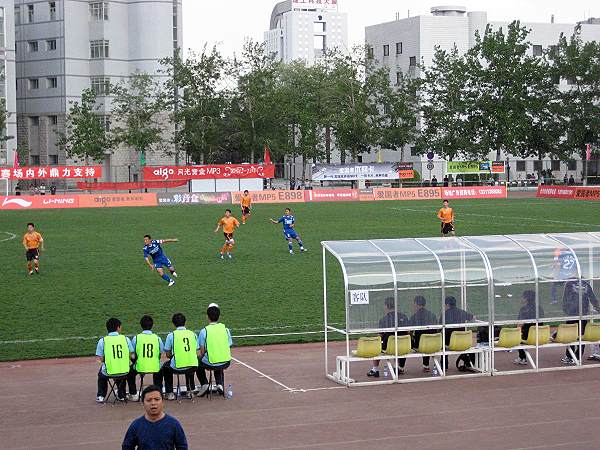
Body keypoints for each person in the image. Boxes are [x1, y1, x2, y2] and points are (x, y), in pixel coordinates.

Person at [122, 385, 188, 450]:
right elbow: (127, 446)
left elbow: (182, 446)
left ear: (162, 402)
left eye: (157, 399)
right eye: (149, 400)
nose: (153, 403)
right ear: (143, 403)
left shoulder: (173, 424)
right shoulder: (136, 426)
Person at [196, 303, 233, 396]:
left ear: (207, 317)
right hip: (226, 362)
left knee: (198, 361)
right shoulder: (225, 329)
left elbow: (202, 351)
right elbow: (229, 344)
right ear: (219, 316)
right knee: (217, 359)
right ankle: (219, 384)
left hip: (211, 362)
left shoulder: (204, 331)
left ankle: (204, 384)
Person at [367, 297, 409, 377]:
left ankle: (375, 369)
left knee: (378, 345)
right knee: (396, 343)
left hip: (389, 347)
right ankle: (396, 366)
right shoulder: (404, 317)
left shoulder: (383, 320)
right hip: (403, 345)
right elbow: (408, 332)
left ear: (386, 306)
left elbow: (380, 335)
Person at [95, 318, 134, 403]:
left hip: (109, 371)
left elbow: (100, 359)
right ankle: (121, 395)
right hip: (125, 371)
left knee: (101, 374)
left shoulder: (102, 341)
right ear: (118, 327)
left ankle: (101, 395)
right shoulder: (125, 339)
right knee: (121, 372)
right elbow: (131, 355)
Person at [161, 313, 199, 400]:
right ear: (185, 322)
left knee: (166, 367)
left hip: (178, 366)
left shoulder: (171, 335)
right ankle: (190, 391)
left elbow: (167, 354)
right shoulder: (193, 334)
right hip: (193, 366)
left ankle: (169, 392)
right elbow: (196, 350)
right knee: (189, 362)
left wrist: (174, 357)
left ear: (173, 324)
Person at [127, 315, 165, 402]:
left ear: (141, 325)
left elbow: (132, 354)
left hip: (140, 366)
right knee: (160, 371)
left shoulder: (136, 338)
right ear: (152, 325)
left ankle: (133, 394)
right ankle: (158, 392)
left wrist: (134, 361)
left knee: (130, 373)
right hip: (155, 366)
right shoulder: (157, 338)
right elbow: (160, 353)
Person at [561, 280, 600, 365]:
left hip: (572, 314)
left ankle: (569, 357)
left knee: (570, 336)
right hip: (583, 314)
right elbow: (593, 298)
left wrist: (566, 310)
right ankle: (577, 357)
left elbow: (565, 298)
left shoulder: (569, 283)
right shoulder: (586, 284)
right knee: (581, 336)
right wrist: (598, 308)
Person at [441, 296, 474, 371]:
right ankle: (466, 362)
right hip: (463, 342)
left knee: (443, 342)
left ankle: (444, 366)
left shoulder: (445, 314)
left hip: (449, 343)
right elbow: (472, 317)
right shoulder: (462, 312)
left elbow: (439, 327)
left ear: (447, 305)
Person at [409, 296, 439, 372]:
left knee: (404, 339)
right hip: (434, 343)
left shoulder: (414, 317)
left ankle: (400, 367)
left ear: (415, 303)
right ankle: (426, 365)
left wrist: (411, 336)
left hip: (421, 345)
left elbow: (408, 331)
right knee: (426, 338)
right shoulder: (432, 315)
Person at [513, 291, 544, 366]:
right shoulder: (539, 308)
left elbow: (520, 324)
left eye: (522, 297)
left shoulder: (524, 309)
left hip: (527, 337)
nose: (521, 298)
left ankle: (522, 357)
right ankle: (521, 357)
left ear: (526, 298)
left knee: (518, 335)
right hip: (540, 335)